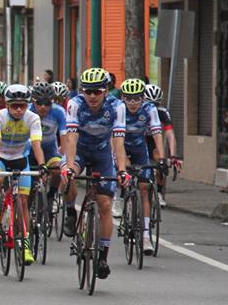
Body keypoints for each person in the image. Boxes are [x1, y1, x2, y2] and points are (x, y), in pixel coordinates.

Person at [61, 67, 130, 280]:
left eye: (97, 91)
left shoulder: (117, 106)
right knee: (66, 177)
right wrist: (70, 166)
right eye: (87, 91)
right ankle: (71, 211)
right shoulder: (75, 104)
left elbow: (118, 141)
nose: (92, 96)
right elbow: (71, 137)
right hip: (80, 151)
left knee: (105, 205)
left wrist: (121, 170)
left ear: (106, 91)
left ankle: (103, 256)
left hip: (102, 154)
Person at [0, 84, 45, 265]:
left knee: (23, 202)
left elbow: (36, 144)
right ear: (7, 104)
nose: (19, 110)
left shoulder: (33, 118)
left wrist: (42, 165)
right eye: (14, 106)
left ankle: (25, 244)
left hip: (21, 159)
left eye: (23, 106)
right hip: (2, 157)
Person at [119, 78, 165, 255]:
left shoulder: (150, 109)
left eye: (136, 98)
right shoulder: (119, 109)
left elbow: (157, 133)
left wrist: (161, 159)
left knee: (144, 188)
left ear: (143, 98)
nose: (132, 103)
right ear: (123, 98)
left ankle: (146, 234)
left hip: (140, 149)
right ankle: (123, 199)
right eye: (129, 98)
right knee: (126, 174)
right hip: (121, 146)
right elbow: (116, 138)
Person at [30, 83, 68, 210]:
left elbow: (64, 140)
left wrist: (64, 159)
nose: (43, 107)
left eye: (47, 103)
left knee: (57, 170)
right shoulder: (27, 111)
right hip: (29, 151)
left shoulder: (59, 112)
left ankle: (51, 195)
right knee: (29, 188)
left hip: (50, 150)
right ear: (33, 101)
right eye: (39, 103)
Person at [143, 84, 182, 205]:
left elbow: (170, 135)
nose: (153, 108)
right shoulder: (137, 110)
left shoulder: (163, 112)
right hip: (139, 140)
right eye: (150, 104)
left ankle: (159, 193)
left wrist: (174, 156)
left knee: (161, 161)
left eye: (156, 104)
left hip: (154, 141)